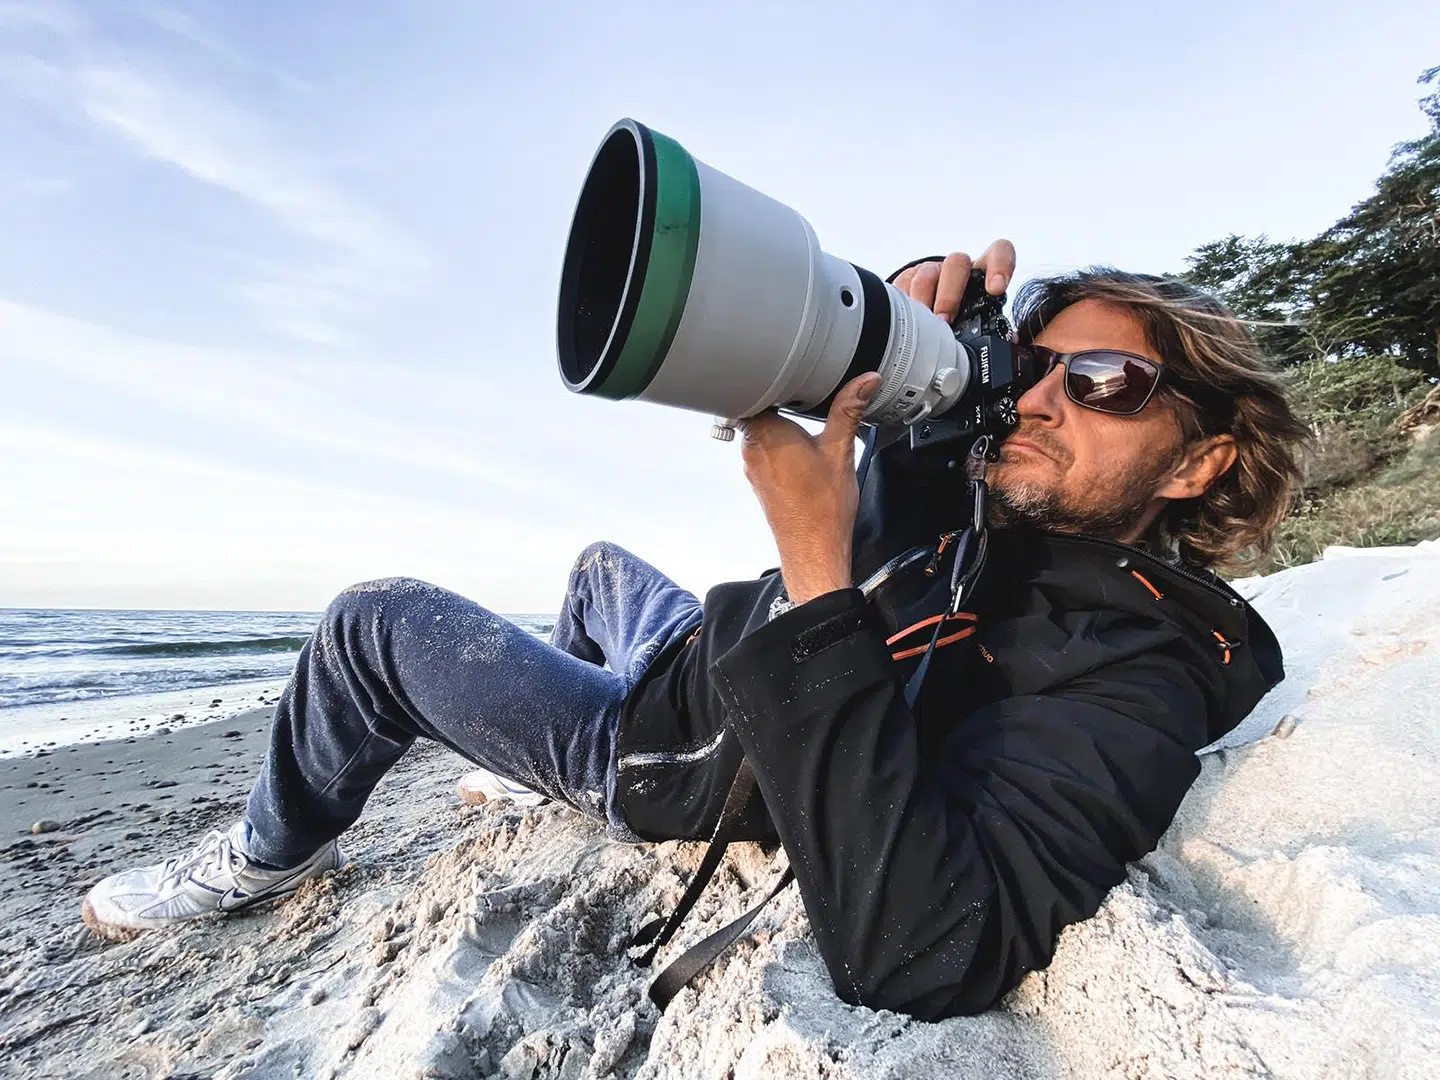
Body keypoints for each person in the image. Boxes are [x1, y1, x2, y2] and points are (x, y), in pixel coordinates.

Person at [81, 243, 1308, 1020]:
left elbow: (929, 951)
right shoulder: (991, 504)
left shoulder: (1139, 669)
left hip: (670, 746)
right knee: (602, 567)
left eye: (1103, 385)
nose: (1039, 402)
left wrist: (815, 561)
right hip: (700, 656)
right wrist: (915, 367)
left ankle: (263, 851)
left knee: (374, 622)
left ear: (1200, 462)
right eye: (1033, 370)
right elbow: (903, 513)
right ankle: (521, 780)